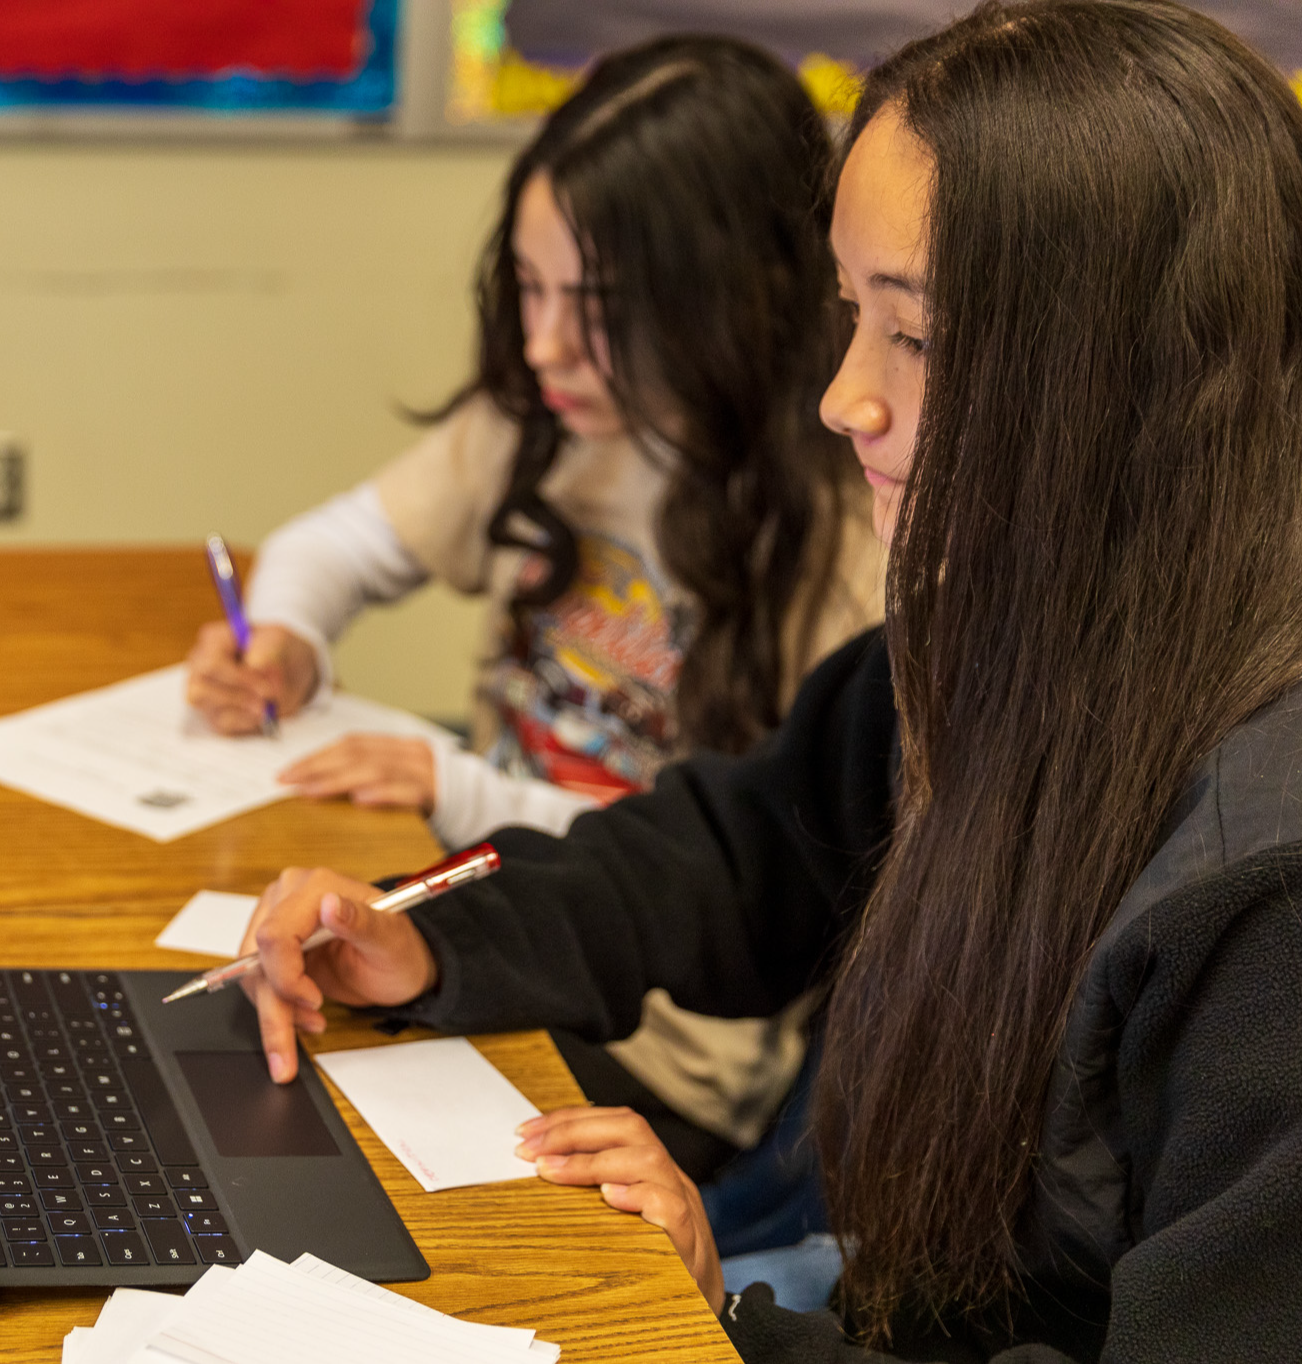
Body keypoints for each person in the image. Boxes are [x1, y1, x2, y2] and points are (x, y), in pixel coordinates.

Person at [232, 1, 1302, 1357]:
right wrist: (432, 942)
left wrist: (729, 1322)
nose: (841, 398)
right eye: (851, 317)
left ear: (1131, 371)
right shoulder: (1001, 627)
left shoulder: (1264, 891)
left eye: (912, 338)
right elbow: (733, 849)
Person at [187, 35, 885, 1184]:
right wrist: (290, 644)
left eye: (597, 304)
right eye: (529, 287)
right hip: (487, 903)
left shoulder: (845, 531)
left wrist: (453, 782)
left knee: (300, 1141)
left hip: (663, 1039)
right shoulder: (550, 418)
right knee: (259, 1045)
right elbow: (336, 546)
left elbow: (709, 871)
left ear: (734, 298)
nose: (544, 343)